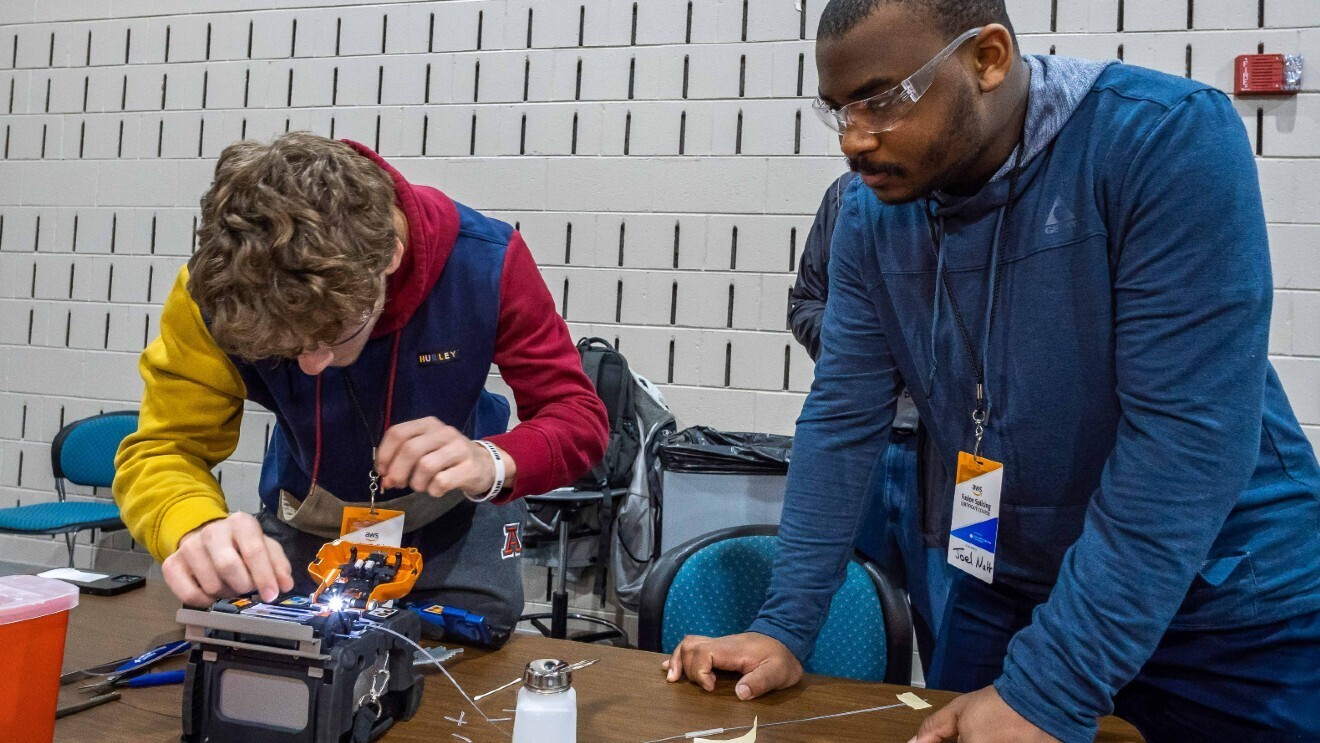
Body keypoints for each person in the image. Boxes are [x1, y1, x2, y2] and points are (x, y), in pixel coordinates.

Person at [664, 1, 1320, 741]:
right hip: (1011, 588)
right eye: (839, 110)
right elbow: (843, 420)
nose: (853, 138)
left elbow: (1185, 445)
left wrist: (1052, 685)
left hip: (1228, 606)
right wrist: (783, 625)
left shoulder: (1163, 139)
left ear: (988, 59)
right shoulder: (869, 214)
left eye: (882, 100)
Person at [113, 132, 609, 639]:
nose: (311, 367)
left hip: (455, 530)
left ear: (390, 256)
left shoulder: (483, 262)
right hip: (308, 526)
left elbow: (577, 416)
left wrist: (492, 462)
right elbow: (165, 449)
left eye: (332, 336)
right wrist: (191, 523)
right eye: (284, 350)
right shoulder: (215, 293)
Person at [789, 172, 950, 668]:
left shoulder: (983, 203)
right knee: (856, 625)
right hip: (870, 451)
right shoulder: (847, 197)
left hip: (959, 463)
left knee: (955, 621)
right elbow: (804, 303)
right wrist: (869, 349)